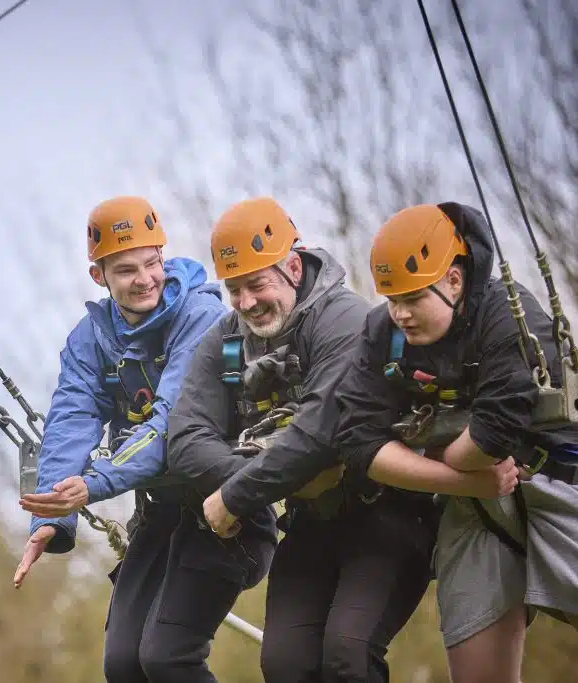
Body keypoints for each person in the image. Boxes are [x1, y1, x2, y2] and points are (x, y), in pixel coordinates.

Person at [166, 196, 453, 682]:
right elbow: (186, 438)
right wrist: (276, 479)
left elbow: (324, 430)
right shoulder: (225, 340)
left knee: (347, 655)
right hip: (308, 523)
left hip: (387, 514)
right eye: (234, 290)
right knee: (285, 665)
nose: (246, 303)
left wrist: (236, 495)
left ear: (293, 267)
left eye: (256, 284)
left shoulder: (346, 320)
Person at [335, 201, 578, 682]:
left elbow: (495, 431)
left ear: (452, 279)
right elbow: (357, 440)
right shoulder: (384, 331)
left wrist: (446, 458)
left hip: (562, 484)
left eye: (412, 297)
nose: (399, 313)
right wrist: (458, 480)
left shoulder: (511, 312)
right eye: (391, 298)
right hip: (473, 505)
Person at [12, 195, 275, 683]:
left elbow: (169, 427)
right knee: (123, 667)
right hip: (161, 517)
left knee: (167, 659)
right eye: (127, 270)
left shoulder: (200, 318)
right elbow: (70, 420)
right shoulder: (90, 340)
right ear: (100, 277)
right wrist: (52, 514)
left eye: (152, 263)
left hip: (225, 509)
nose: (145, 279)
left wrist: (93, 484)